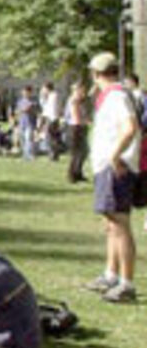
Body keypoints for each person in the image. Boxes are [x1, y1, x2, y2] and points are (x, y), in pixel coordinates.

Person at [82, 52, 140, 302]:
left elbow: (129, 128)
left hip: (115, 167)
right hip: (107, 166)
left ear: (95, 75)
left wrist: (116, 156)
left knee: (119, 224)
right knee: (111, 223)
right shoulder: (111, 97)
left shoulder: (116, 96)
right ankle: (111, 274)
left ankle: (126, 282)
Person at [65, 80, 89, 184]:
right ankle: (72, 175)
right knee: (77, 152)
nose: (84, 92)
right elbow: (76, 117)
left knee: (83, 152)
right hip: (75, 128)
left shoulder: (79, 101)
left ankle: (78, 173)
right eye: (82, 90)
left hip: (79, 127)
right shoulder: (74, 101)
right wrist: (85, 122)